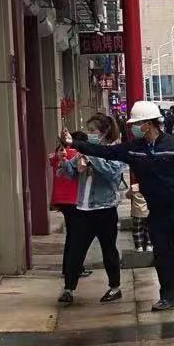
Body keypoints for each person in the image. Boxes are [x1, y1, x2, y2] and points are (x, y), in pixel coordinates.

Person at [80, 100, 174, 311]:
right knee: (163, 255)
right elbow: (107, 152)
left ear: (148, 124)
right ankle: (168, 297)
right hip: (158, 212)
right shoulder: (135, 149)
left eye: (137, 124)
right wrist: (75, 144)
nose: (134, 128)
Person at [57, 113, 125, 305]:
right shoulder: (84, 151)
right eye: (88, 131)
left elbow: (113, 173)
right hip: (82, 208)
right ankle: (69, 288)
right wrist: (64, 161)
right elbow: (70, 173)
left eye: (93, 131)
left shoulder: (113, 151)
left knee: (109, 250)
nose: (90, 135)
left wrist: (92, 157)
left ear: (103, 132)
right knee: (75, 250)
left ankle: (115, 287)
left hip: (104, 208)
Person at [49, 129, 82, 283]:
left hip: (61, 200)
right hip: (73, 200)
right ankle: (72, 268)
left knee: (71, 235)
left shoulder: (58, 154)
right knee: (75, 236)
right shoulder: (75, 154)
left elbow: (52, 159)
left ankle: (69, 267)